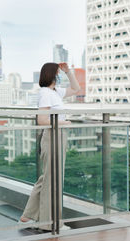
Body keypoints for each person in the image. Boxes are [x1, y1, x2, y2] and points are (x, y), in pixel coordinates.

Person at [19, 62, 80, 230]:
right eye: (59, 73)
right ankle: (50, 222)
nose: (59, 75)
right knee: (53, 180)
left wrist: (69, 72)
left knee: (48, 177)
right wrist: (64, 122)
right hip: (53, 135)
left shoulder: (55, 92)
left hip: (58, 135)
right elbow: (42, 120)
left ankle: (28, 216)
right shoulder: (45, 93)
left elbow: (76, 89)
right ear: (52, 74)